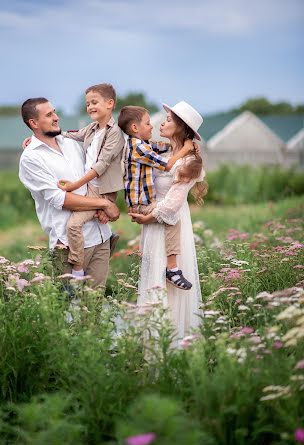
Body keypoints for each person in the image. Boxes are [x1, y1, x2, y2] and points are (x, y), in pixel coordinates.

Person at [18, 97, 120, 288]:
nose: (56, 118)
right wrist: (104, 205)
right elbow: (61, 199)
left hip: (100, 236)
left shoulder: (71, 143)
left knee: (95, 306)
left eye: (55, 112)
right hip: (68, 245)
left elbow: (98, 172)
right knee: (70, 311)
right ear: (33, 123)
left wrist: (102, 206)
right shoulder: (31, 158)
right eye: (49, 115)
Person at [129, 101, 207, 343]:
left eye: (169, 120)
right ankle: (152, 343)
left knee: (168, 284)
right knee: (153, 278)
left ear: (181, 127)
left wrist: (148, 216)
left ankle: (173, 344)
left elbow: (173, 203)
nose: (161, 123)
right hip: (153, 222)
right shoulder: (162, 152)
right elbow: (123, 142)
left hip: (169, 221)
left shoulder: (188, 163)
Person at [118, 105, 195, 290]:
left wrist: (183, 147)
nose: (153, 125)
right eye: (147, 123)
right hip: (147, 207)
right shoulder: (139, 147)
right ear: (135, 128)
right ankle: (172, 269)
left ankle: (171, 268)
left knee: (172, 218)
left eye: (168, 120)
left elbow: (163, 148)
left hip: (151, 207)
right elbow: (168, 165)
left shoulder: (144, 145)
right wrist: (185, 148)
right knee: (172, 219)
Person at [56, 83, 125, 278]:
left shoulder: (115, 133)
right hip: (90, 188)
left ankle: (77, 268)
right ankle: (105, 225)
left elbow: (102, 165)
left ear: (110, 103)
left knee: (73, 225)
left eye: (94, 102)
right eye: (87, 104)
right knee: (81, 213)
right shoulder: (92, 128)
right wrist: (40, 137)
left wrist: (75, 184)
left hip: (101, 190)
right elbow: (73, 135)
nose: (90, 107)